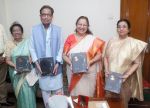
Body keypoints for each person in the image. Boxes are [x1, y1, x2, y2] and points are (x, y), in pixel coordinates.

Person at [104, 19, 147, 108]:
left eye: (124, 26)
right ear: (117, 29)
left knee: (122, 103)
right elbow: (105, 57)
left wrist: (126, 75)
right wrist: (106, 70)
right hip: (110, 78)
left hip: (124, 80)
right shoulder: (111, 41)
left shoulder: (133, 43)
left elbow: (137, 62)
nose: (121, 29)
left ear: (128, 29)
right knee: (109, 102)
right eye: (119, 27)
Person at [29, 5, 64, 108]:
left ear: (52, 16)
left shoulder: (58, 29)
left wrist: (57, 62)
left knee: (58, 92)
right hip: (41, 66)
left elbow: (61, 47)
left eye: (48, 14)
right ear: (40, 16)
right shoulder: (33, 29)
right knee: (46, 93)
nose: (46, 17)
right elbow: (32, 48)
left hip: (56, 66)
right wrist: (36, 63)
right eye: (43, 14)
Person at [63, 16, 105, 97]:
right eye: (80, 24)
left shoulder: (92, 39)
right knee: (75, 95)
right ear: (76, 25)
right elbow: (64, 55)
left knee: (88, 95)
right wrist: (72, 63)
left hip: (89, 71)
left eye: (84, 25)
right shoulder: (70, 38)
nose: (82, 27)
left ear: (87, 26)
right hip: (73, 72)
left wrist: (90, 62)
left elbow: (100, 55)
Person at [5, 22, 36, 108]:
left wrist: (32, 58)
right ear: (11, 33)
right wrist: (16, 66)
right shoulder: (9, 44)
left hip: (28, 72)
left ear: (22, 32)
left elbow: (33, 55)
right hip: (16, 73)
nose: (16, 32)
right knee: (20, 94)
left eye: (18, 30)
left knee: (29, 92)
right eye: (14, 31)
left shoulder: (28, 42)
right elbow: (7, 60)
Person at [0, 24, 14, 107]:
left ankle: (3, 100)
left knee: (2, 81)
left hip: (2, 57)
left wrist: (4, 56)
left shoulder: (1, 26)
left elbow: (6, 42)